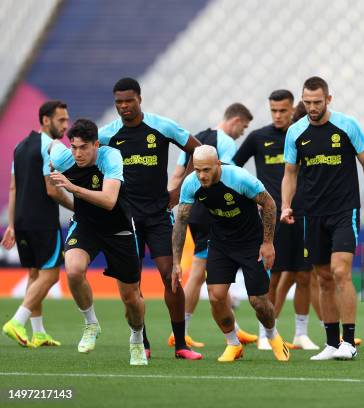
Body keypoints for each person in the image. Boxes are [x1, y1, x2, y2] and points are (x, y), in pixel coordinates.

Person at [98, 77, 201, 360]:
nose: (124, 107)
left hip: (158, 215)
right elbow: (87, 160)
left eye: (128, 101)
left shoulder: (161, 126)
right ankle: (141, 342)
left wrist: (179, 189)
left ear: (139, 99)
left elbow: (198, 150)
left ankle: (180, 344)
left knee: (172, 277)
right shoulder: (107, 135)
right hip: (125, 217)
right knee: (132, 283)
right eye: (118, 102)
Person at [282, 76, 364, 360]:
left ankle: (349, 342)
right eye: (307, 102)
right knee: (323, 278)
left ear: (329, 99)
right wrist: (286, 204)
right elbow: (290, 173)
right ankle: (331, 343)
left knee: (340, 271)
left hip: (343, 211)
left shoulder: (347, 126)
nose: (312, 107)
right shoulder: (296, 132)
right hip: (310, 214)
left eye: (317, 102)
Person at [172, 145, 290, 362]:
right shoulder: (191, 183)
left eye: (206, 170)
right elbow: (181, 220)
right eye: (197, 170)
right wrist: (176, 261)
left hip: (251, 244)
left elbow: (269, 204)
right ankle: (233, 344)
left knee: (259, 302)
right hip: (220, 243)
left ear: (218, 165)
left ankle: (273, 336)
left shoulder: (240, 178)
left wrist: (268, 243)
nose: (201, 175)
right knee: (216, 297)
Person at [48, 119, 149, 365]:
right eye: (73, 147)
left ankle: (136, 339)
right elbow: (51, 145)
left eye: (84, 147)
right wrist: (50, 153)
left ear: (96, 144)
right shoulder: (65, 158)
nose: (78, 153)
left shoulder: (110, 157)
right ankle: (91, 324)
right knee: (73, 270)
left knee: (131, 299)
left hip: (119, 230)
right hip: (86, 226)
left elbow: (109, 200)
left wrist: (72, 187)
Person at [234, 90, 319, 351]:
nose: (279, 115)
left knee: (305, 274)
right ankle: (265, 332)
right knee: (274, 275)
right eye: (274, 110)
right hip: (272, 218)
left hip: (304, 212)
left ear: (293, 108)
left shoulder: (303, 135)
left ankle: (301, 333)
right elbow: (233, 168)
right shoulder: (258, 137)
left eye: (283, 110)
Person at [167, 102, 257, 349]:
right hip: (210, 212)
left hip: (193, 210)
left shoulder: (195, 141)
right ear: (235, 121)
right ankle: (180, 330)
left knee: (219, 271)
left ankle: (235, 330)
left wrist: (170, 202)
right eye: (244, 128)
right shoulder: (225, 142)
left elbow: (177, 176)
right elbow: (227, 177)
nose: (242, 133)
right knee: (198, 271)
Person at [2, 101, 73, 348]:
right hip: (42, 221)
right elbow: (51, 190)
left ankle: (39, 332)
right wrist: (78, 207)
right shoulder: (50, 146)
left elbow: (13, 187)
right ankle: (16, 321)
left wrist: (11, 225)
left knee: (34, 273)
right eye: (61, 120)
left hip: (21, 220)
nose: (66, 125)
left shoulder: (20, 147)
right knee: (51, 275)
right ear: (45, 120)